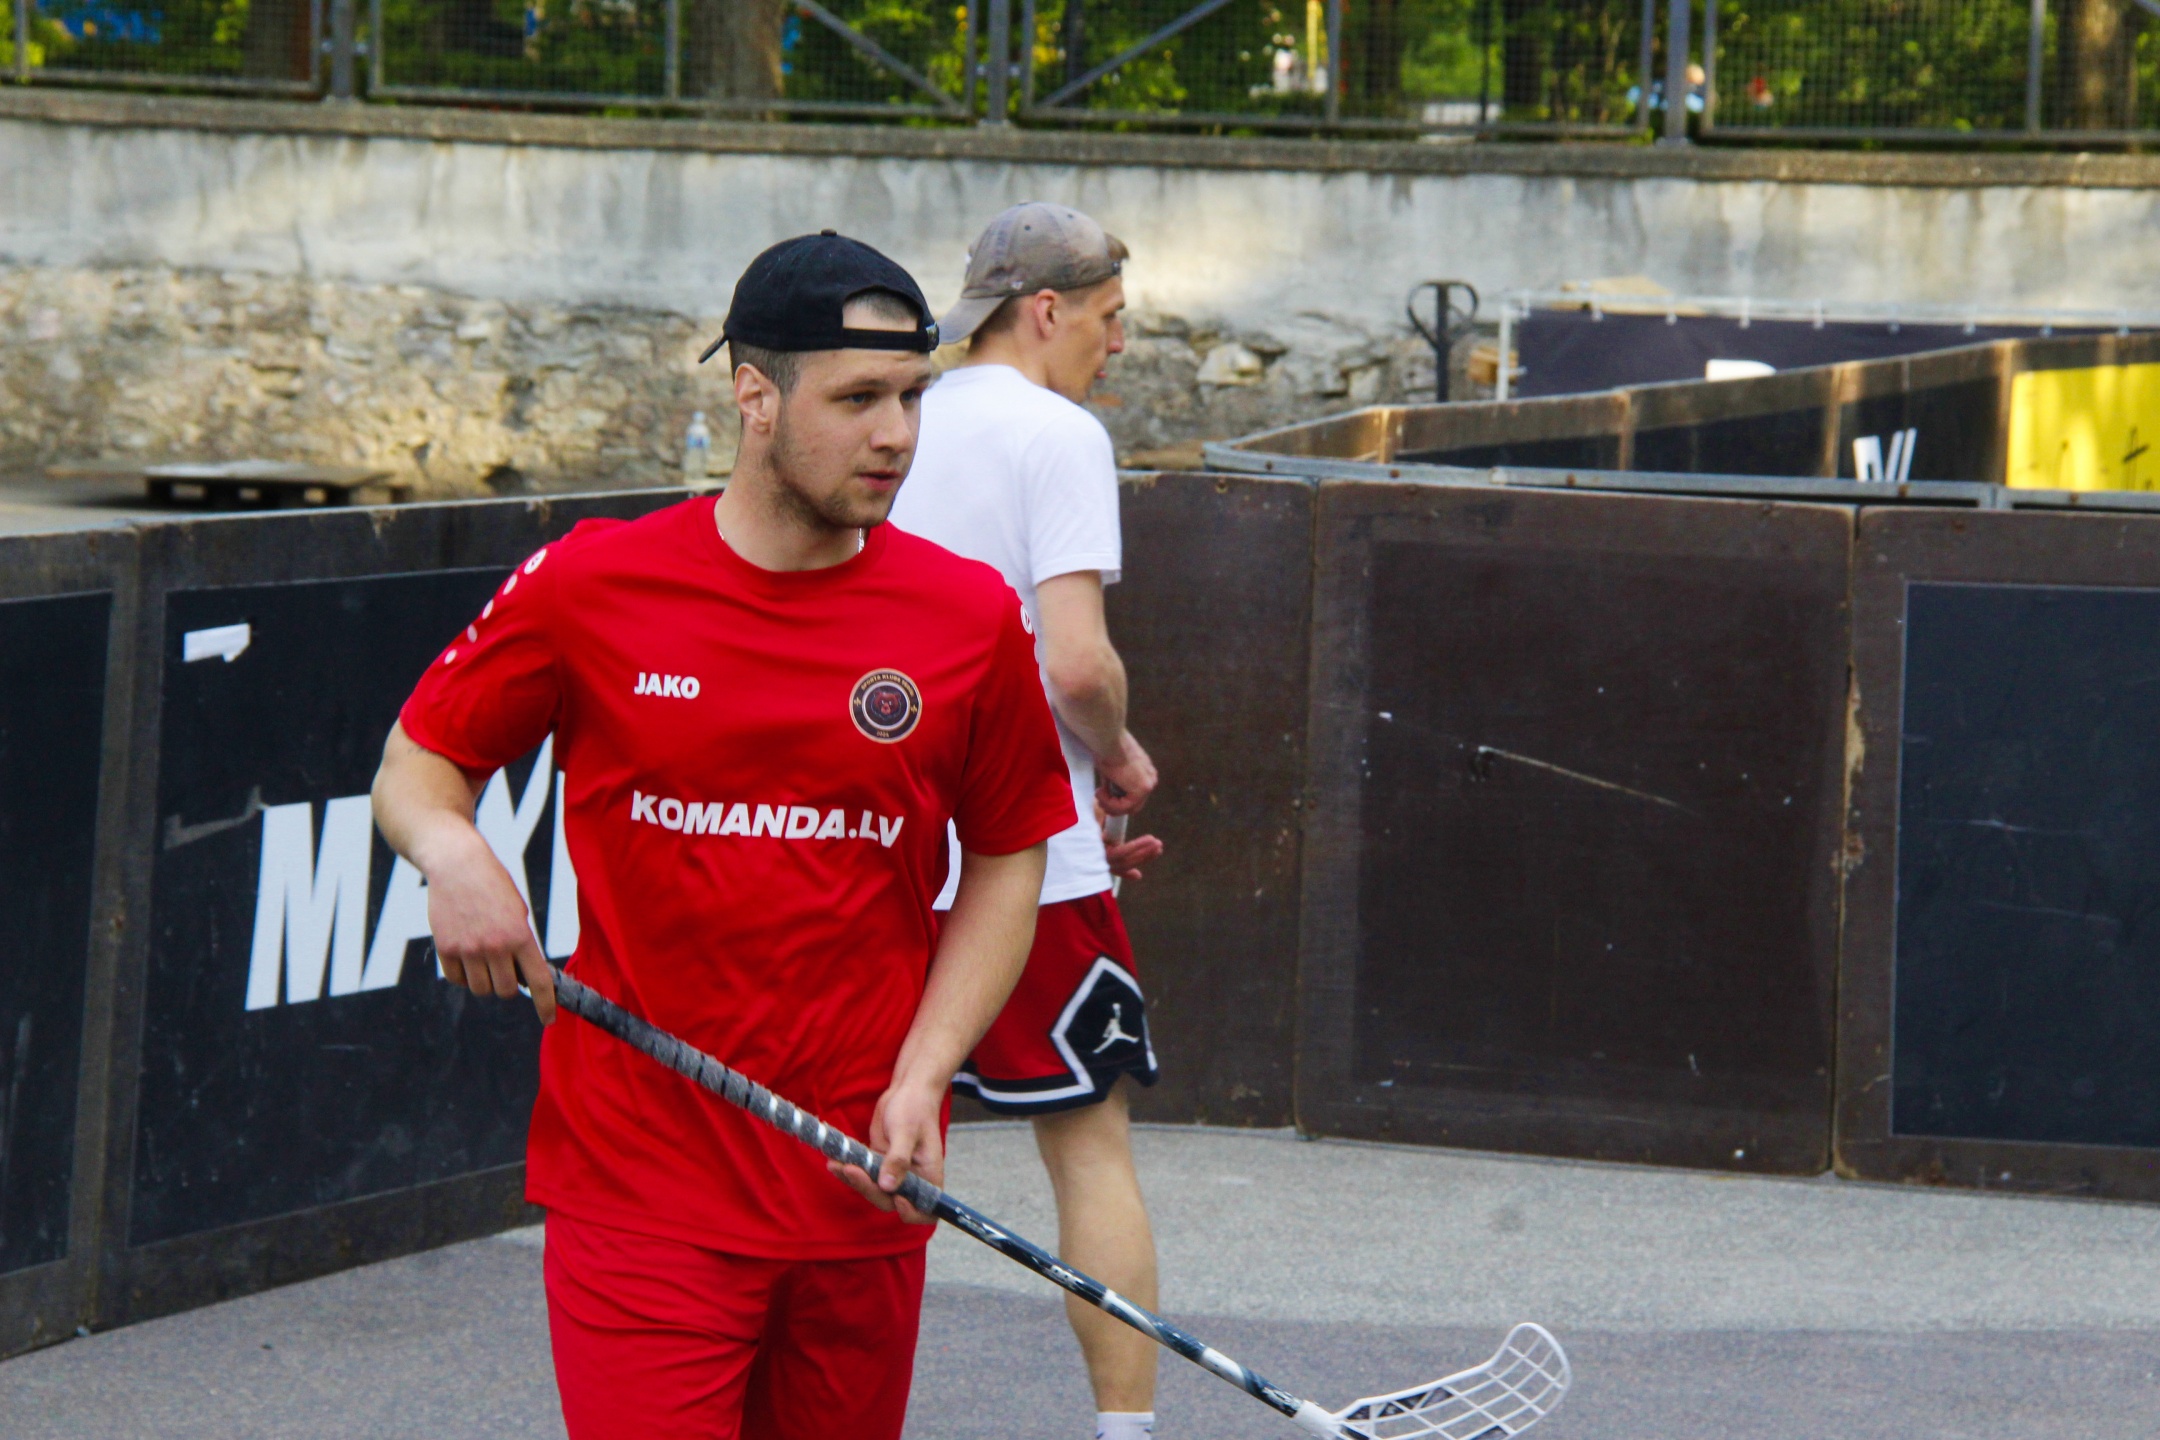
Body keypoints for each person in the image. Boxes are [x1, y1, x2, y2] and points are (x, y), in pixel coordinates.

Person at [370, 231, 1078, 1440]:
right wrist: (455, 855)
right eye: (857, 399)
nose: (897, 435)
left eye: (912, 397)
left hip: (863, 1180)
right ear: (755, 396)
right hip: (639, 1188)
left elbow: (1011, 857)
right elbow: (416, 768)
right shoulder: (590, 585)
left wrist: (926, 1072)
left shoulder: (966, 614)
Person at [890, 201, 1168, 1440]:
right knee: (1090, 1149)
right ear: (1046, 311)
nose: (1119, 344)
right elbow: (1076, 663)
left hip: (887, 843)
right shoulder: (1060, 435)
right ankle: (1126, 1433)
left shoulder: (893, 417)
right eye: (1110, 318)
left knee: (854, 1141)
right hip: (1031, 859)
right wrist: (1115, 754)